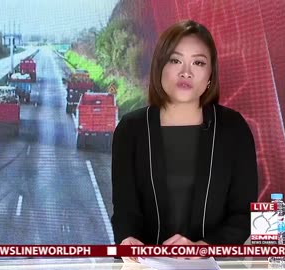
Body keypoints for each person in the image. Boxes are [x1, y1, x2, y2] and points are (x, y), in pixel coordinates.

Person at [111, 20, 258, 262]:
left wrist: (204, 247)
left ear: (210, 75)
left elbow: (243, 215)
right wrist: (127, 239)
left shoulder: (233, 128)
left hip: (212, 265)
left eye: (198, 63)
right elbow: (125, 210)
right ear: (160, 67)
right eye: (175, 60)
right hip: (147, 266)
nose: (186, 72)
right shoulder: (130, 130)